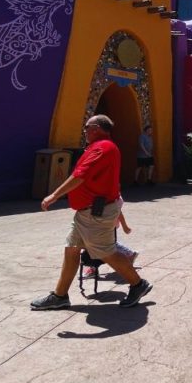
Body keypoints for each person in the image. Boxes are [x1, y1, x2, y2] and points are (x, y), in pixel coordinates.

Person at [31, 114, 152, 310]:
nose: (84, 130)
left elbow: (80, 176)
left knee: (107, 253)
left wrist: (53, 195)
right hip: (86, 213)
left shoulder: (103, 147)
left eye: (87, 127)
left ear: (96, 127)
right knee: (71, 248)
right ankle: (60, 296)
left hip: (96, 213)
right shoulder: (98, 147)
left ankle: (138, 284)